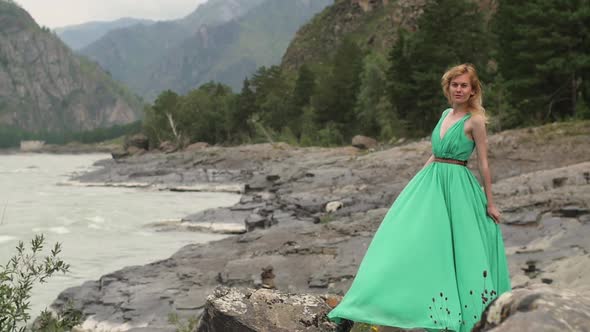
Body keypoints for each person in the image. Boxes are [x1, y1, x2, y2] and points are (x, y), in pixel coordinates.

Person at [328, 63, 511, 332]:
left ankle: (454, 315)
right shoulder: (445, 114)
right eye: (454, 84)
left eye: (464, 85)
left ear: (473, 91)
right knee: (401, 242)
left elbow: (484, 162)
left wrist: (491, 203)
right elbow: (436, 153)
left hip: (459, 188)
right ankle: (359, 306)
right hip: (432, 183)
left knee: (457, 251)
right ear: (448, 88)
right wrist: (416, 183)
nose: (458, 89)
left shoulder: (476, 121)